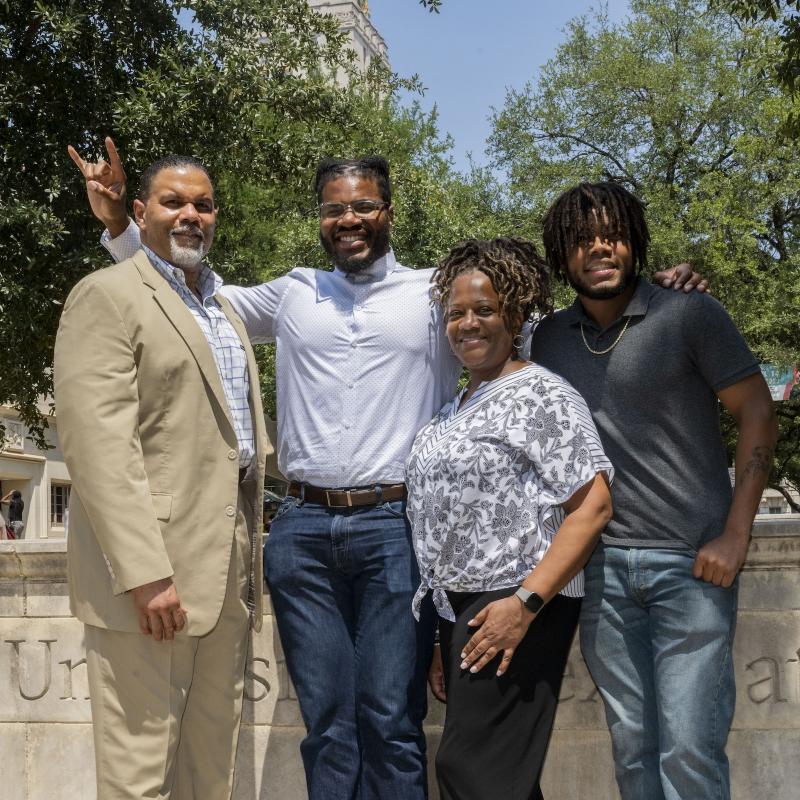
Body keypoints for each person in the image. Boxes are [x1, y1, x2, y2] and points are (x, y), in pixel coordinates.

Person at [76, 139, 704, 800]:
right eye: (333, 209)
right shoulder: (290, 292)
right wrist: (122, 228)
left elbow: (534, 322)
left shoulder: (438, 295)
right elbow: (185, 303)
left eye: (363, 207)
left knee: (391, 721)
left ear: (388, 213)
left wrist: (653, 296)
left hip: (393, 531)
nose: (348, 219)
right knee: (327, 727)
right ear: (319, 217)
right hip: (300, 535)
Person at [532, 181, 778, 800]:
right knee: (635, 752)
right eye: (583, 239)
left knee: (690, 753)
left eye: (612, 233)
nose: (599, 248)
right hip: (603, 572)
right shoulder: (547, 339)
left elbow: (756, 412)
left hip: (693, 567)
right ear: (563, 255)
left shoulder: (688, 312)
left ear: (635, 241)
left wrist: (736, 533)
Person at [56, 147, 273, 800]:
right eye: (174, 202)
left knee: (210, 777)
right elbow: (99, 448)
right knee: (138, 781)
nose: (190, 214)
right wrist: (146, 573)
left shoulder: (223, 313)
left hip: (226, 577)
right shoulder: (105, 296)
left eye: (203, 204)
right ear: (142, 212)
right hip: (150, 587)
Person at [406, 238, 613, 800]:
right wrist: (440, 641)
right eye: (455, 313)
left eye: (484, 310)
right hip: (463, 610)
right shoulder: (458, 404)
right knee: (498, 781)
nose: (467, 323)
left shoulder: (542, 395)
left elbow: (592, 506)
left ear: (517, 313)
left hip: (518, 602)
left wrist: (523, 606)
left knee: (473, 775)